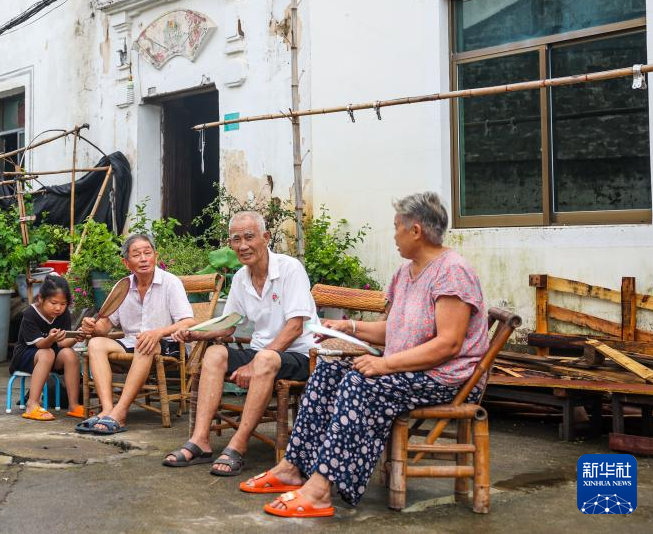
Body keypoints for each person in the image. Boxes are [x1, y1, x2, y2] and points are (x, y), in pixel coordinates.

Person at [241, 192, 489, 519]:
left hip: (445, 378)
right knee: (330, 368)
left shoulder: (452, 271)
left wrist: (384, 364)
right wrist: (350, 327)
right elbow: (399, 330)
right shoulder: (405, 273)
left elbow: (448, 345)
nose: (394, 235)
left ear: (416, 231)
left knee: (360, 384)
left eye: (397, 227)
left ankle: (320, 489)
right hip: (411, 370)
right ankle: (293, 467)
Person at [164, 210, 316, 476]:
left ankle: (238, 445)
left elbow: (295, 326)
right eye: (236, 239)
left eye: (249, 237)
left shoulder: (290, 268)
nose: (243, 245)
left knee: (266, 358)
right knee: (215, 354)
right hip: (262, 353)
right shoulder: (241, 278)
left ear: (266, 237)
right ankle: (201, 440)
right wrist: (196, 333)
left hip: (300, 355)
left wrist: (257, 361)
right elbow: (229, 324)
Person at [76, 233, 197, 434]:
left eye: (147, 253)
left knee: (145, 342)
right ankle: (107, 408)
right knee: (96, 343)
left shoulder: (170, 282)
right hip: (133, 341)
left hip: (168, 344)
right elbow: (105, 325)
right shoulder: (123, 286)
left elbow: (189, 321)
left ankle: (120, 412)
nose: (143, 258)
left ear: (155, 256)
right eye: (136, 254)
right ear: (126, 262)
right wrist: (91, 326)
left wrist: (157, 333)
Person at [10, 274, 85, 421]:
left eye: (63, 304)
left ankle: (74, 405)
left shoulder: (63, 315)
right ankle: (32, 405)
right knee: (47, 352)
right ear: (41, 299)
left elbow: (63, 344)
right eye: (53, 303)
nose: (58, 308)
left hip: (50, 352)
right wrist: (50, 338)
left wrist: (75, 338)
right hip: (26, 355)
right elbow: (40, 344)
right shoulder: (30, 314)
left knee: (70, 354)